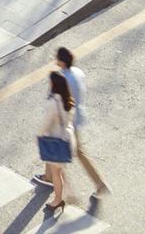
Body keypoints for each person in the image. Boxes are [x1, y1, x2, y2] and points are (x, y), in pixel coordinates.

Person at [36, 47, 108, 200]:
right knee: (56, 147)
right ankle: (48, 177)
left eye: (57, 58)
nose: (55, 60)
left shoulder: (62, 79)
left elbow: (56, 101)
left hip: (66, 121)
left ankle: (98, 185)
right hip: (77, 115)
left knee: (60, 150)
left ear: (62, 62)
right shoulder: (78, 72)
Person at [36, 71, 77, 216]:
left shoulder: (54, 103)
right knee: (58, 171)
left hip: (57, 143)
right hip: (67, 139)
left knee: (56, 174)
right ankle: (67, 193)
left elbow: (46, 123)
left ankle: (58, 200)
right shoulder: (68, 99)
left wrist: (38, 136)